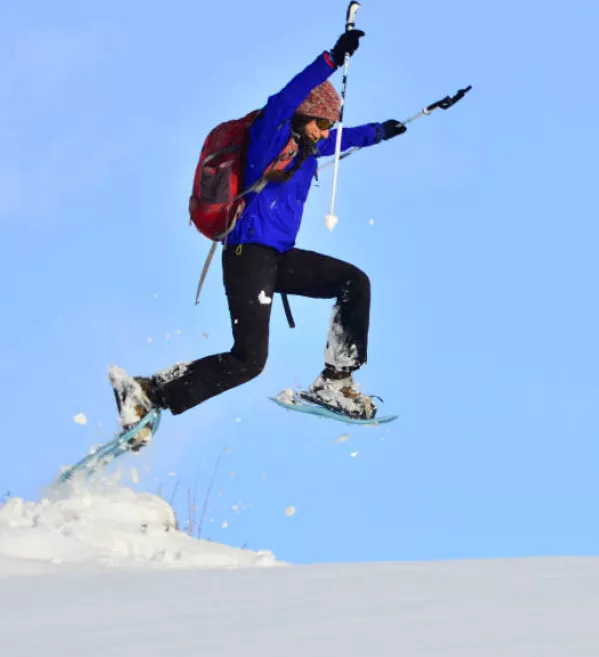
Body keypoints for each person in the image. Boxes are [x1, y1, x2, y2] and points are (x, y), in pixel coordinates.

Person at [108, 28, 406, 447]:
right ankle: (150, 392)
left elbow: (343, 139)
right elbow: (285, 97)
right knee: (249, 359)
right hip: (248, 255)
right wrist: (332, 59)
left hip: (279, 258)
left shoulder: (307, 150)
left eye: (328, 124)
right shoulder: (271, 137)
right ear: (304, 115)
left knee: (353, 281)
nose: (324, 131)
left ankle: (336, 380)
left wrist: (384, 131)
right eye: (320, 121)